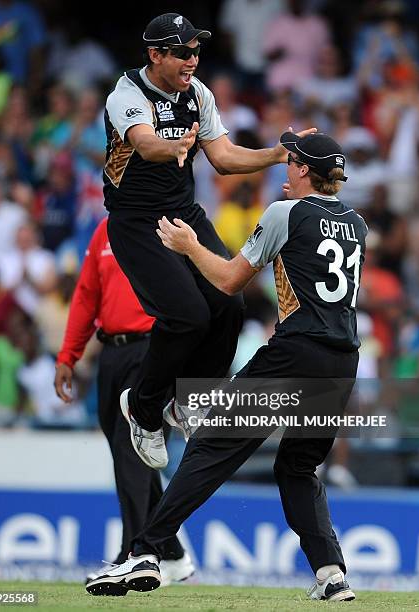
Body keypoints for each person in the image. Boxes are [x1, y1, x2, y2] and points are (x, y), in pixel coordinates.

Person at [87, 132, 368, 602]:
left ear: (301, 170)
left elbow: (229, 280)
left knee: (210, 448)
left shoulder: (286, 212)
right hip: (343, 362)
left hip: (294, 354)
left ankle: (146, 551)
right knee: (298, 468)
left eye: (290, 160)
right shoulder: (356, 222)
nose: (285, 167)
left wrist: (189, 245)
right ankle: (331, 573)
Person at [104, 12, 315, 470]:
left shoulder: (198, 94)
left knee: (229, 303)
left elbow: (223, 156)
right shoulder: (126, 95)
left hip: (184, 213)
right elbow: (144, 143)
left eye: (196, 51)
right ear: (155, 54)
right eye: (181, 52)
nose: (192, 60)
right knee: (186, 317)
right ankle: (143, 410)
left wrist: (278, 155)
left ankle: (184, 402)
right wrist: (174, 147)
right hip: (137, 221)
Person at [54, 218, 193, 593]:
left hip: (155, 349)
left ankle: (133, 556)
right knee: (128, 451)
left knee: (131, 449)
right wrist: (69, 354)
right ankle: (173, 552)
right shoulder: (106, 229)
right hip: (111, 353)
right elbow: (86, 292)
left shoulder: (171, 223)